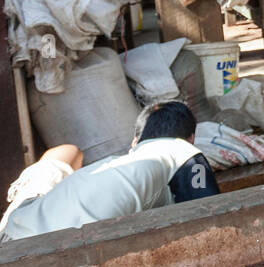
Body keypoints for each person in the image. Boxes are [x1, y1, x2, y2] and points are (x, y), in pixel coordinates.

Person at [0, 101, 221, 242]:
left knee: (69, 152)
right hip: (46, 246)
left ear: (134, 142)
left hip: (13, 227)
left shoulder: (119, 164)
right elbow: (213, 218)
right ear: (191, 138)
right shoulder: (182, 151)